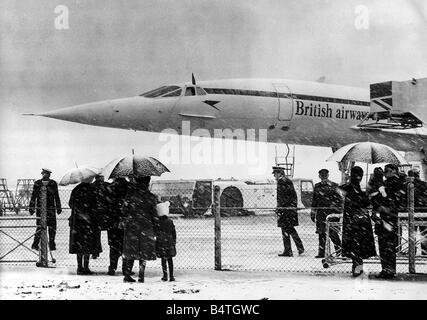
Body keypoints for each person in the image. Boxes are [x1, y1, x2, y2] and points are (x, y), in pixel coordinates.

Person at [340, 166, 376, 277]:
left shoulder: (347, 187)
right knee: (359, 248)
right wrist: (367, 196)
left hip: (351, 221)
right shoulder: (357, 189)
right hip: (359, 221)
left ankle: (356, 268)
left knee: (354, 247)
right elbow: (364, 203)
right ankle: (357, 269)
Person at [122, 175, 159, 283]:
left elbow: (124, 211)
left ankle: (127, 274)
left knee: (131, 251)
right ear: (147, 183)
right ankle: (141, 275)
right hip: (145, 225)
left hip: (132, 226)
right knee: (143, 251)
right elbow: (154, 214)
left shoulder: (130, 196)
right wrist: (156, 227)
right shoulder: (151, 197)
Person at [374, 164, 406, 279]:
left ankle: (387, 269)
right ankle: (389, 269)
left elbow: (384, 198)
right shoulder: (397, 183)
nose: (385, 173)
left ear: (393, 171)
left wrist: (382, 192)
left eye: (387, 171)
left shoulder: (392, 184)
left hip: (387, 217)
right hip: (389, 218)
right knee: (388, 245)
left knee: (385, 245)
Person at [68, 176, 101, 275]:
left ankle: (79, 267)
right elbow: (97, 205)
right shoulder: (92, 190)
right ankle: (86, 267)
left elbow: (71, 204)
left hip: (77, 222)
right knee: (88, 244)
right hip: (90, 222)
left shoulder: (76, 190)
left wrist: (79, 211)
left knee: (79, 244)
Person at [273, 166, 304, 257]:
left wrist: (280, 208)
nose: (274, 175)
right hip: (289, 209)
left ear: (279, 173)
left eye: (275, 173)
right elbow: (291, 196)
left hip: (285, 210)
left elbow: (283, 197)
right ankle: (297, 247)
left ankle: (289, 250)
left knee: (286, 230)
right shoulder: (287, 181)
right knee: (290, 229)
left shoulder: (282, 181)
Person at [310, 169, 342, 258]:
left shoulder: (334, 186)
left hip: (331, 213)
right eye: (322, 175)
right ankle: (322, 253)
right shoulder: (317, 186)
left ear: (327, 175)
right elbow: (314, 200)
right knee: (321, 233)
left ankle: (339, 251)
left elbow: (339, 200)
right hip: (321, 213)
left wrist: (337, 212)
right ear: (319, 176)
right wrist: (313, 212)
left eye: (325, 175)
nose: (323, 177)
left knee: (333, 233)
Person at [29, 168, 62, 254]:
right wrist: (31, 207)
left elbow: (56, 196)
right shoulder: (38, 183)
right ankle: (35, 244)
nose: (45, 175)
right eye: (43, 173)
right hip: (40, 209)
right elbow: (33, 196)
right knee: (40, 227)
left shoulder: (53, 183)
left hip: (51, 209)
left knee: (52, 228)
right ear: (42, 174)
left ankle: (51, 244)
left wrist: (58, 207)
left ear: (49, 175)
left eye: (46, 174)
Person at [105, 177, 131, 275]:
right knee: (125, 246)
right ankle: (125, 268)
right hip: (125, 221)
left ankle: (112, 267)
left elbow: (106, 204)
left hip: (112, 222)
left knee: (113, 247)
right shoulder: (128, 187)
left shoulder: (110, 188)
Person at [155, 201, 177, 282]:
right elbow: (173, 232)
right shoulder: (170, 221)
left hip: (161, 242)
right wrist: (174, 240)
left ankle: (165, 275)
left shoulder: (158, 222)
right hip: (169, 242)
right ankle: (171, 276)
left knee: (163, 260)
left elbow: (156, 231)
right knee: (170, 260)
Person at [408, 168, 427, 255]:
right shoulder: (424, 185)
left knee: (412, 232)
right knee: (424, 232)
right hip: (423, 211)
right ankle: (424, 250)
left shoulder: (409, 186)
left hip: (413, 211)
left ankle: (412, 250)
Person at [91, 174, 108, 258]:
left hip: (95, 213)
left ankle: (95, 251)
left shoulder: (92, 186)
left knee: (95, 234)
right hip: (105, 213)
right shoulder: (106, 186)